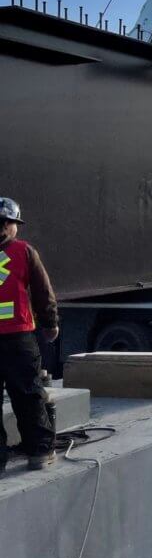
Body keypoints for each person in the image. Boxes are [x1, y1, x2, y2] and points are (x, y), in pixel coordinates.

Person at [0, 198, 58, 473]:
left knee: (28, 395)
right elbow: (43, 291)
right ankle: (40, 450)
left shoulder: (24, 252)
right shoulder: (24, 252)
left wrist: (49, 321)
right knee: (27, 395)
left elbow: (41, 292)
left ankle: (37, 451)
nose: (3, 228)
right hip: (18, 339)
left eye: (6, 223)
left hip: (18, 337)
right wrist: (50, 324)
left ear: (14, 226)